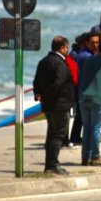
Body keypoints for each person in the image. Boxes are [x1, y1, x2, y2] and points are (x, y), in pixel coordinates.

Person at [33, 36, 76, 175]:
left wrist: (39, 94)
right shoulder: (60, 63)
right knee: (58, 135)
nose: (67, 50)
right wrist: (46, 95)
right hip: (59, 105)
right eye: (66, 48)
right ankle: (52, 165)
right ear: (62, 47)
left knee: (51, 134)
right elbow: (58, 83)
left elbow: (36, 81)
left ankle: (49, 164)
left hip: (49, 105)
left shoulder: (43, 61)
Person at [69, 32, 99, 146]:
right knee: (86, 120)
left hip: (84, 91)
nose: (96, 45)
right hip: (86, 92)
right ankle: (77, 139)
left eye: (97, 42)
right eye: (93, 43)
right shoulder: (86, 56)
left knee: (81, 117)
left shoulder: (87, 54)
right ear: (86, 43)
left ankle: (75, 138)